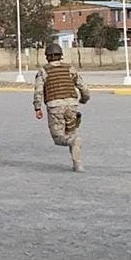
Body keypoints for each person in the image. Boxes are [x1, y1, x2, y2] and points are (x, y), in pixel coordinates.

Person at [34, 43, 91, 172]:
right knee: (72, 133)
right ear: (61, 56)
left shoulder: (43, 71)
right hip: (72, 105)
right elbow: (84, 88)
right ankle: (78, 164)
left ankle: (72, 143)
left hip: (55, 107)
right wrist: (83, 99)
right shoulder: (70, 68)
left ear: (47, 57)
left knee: (58, 137)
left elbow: (38, 91)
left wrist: (37, 108)